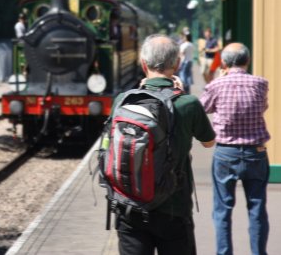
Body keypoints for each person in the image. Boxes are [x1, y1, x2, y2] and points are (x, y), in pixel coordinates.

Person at [113, 34, 215, 255]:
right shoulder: (188, 103)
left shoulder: (121, 101)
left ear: (143, 64)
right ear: (177, 64)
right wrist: (181, 93)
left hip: (129, 206)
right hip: (173, 208)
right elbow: (209, 142)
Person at [199, 43, 270, 255]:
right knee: (257, 209)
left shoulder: (216, 85)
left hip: (225, 153)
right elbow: (262, 107)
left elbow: (202, 109)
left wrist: (221, 79)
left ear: (224, 62)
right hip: (255, 152)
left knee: (222, 211)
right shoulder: (260, 84)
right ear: (247, 61)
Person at [178, 29, 195, 93]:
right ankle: (188, 89)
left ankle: (184, 88)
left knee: (182, 74)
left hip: (184, 61)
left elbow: (181, 54)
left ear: (186, 37)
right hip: (190, 61)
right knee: (188, 75)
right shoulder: (191, 44)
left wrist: (180, 63)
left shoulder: (184, 45)